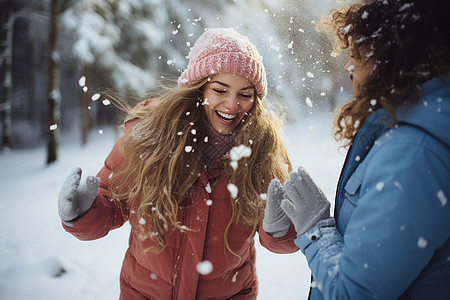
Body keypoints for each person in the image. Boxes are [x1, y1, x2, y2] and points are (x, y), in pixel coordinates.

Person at [57, 28, 299, 299]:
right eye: (220, 89)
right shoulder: (150, 137)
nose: (232, 105)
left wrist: (281, 228)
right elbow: (112, 205)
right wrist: (81, 213)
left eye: (245, 94)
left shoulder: (263, 150)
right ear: (199, 87)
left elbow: (283, 238)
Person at [263, 0, 450, 299]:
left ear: (393, 58)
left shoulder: (413, 152)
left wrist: (317, 228)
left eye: (358, 55)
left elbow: (354, 292)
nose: (349, 67)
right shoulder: (405, 127)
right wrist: (291, 229)